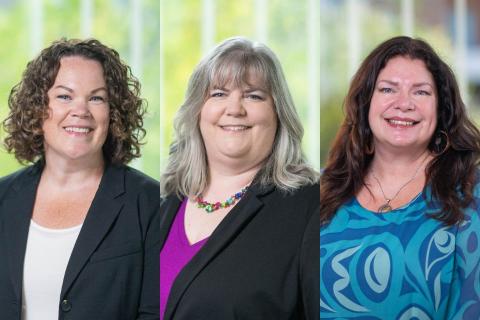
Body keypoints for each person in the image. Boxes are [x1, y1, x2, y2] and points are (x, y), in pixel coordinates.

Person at [320, 36, 480, 318]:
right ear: (366, 102)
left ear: (441, 109)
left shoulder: (470, 192)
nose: (403, 103)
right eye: (387, 89)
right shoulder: (324, 188)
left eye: (421, 92)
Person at [160, 37, 319, 320]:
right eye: (219, 94)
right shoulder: (164, 200)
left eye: (253, 95)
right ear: (198, 111)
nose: (234, 108)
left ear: (279, 114)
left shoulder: (311, 207)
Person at [0, 38, 159, 319]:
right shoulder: (3, 198)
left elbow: (153, 311)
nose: (81, 111)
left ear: (113, 113)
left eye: (96, 98)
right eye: (64, 96)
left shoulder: (148, 203)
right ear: (37, 108)